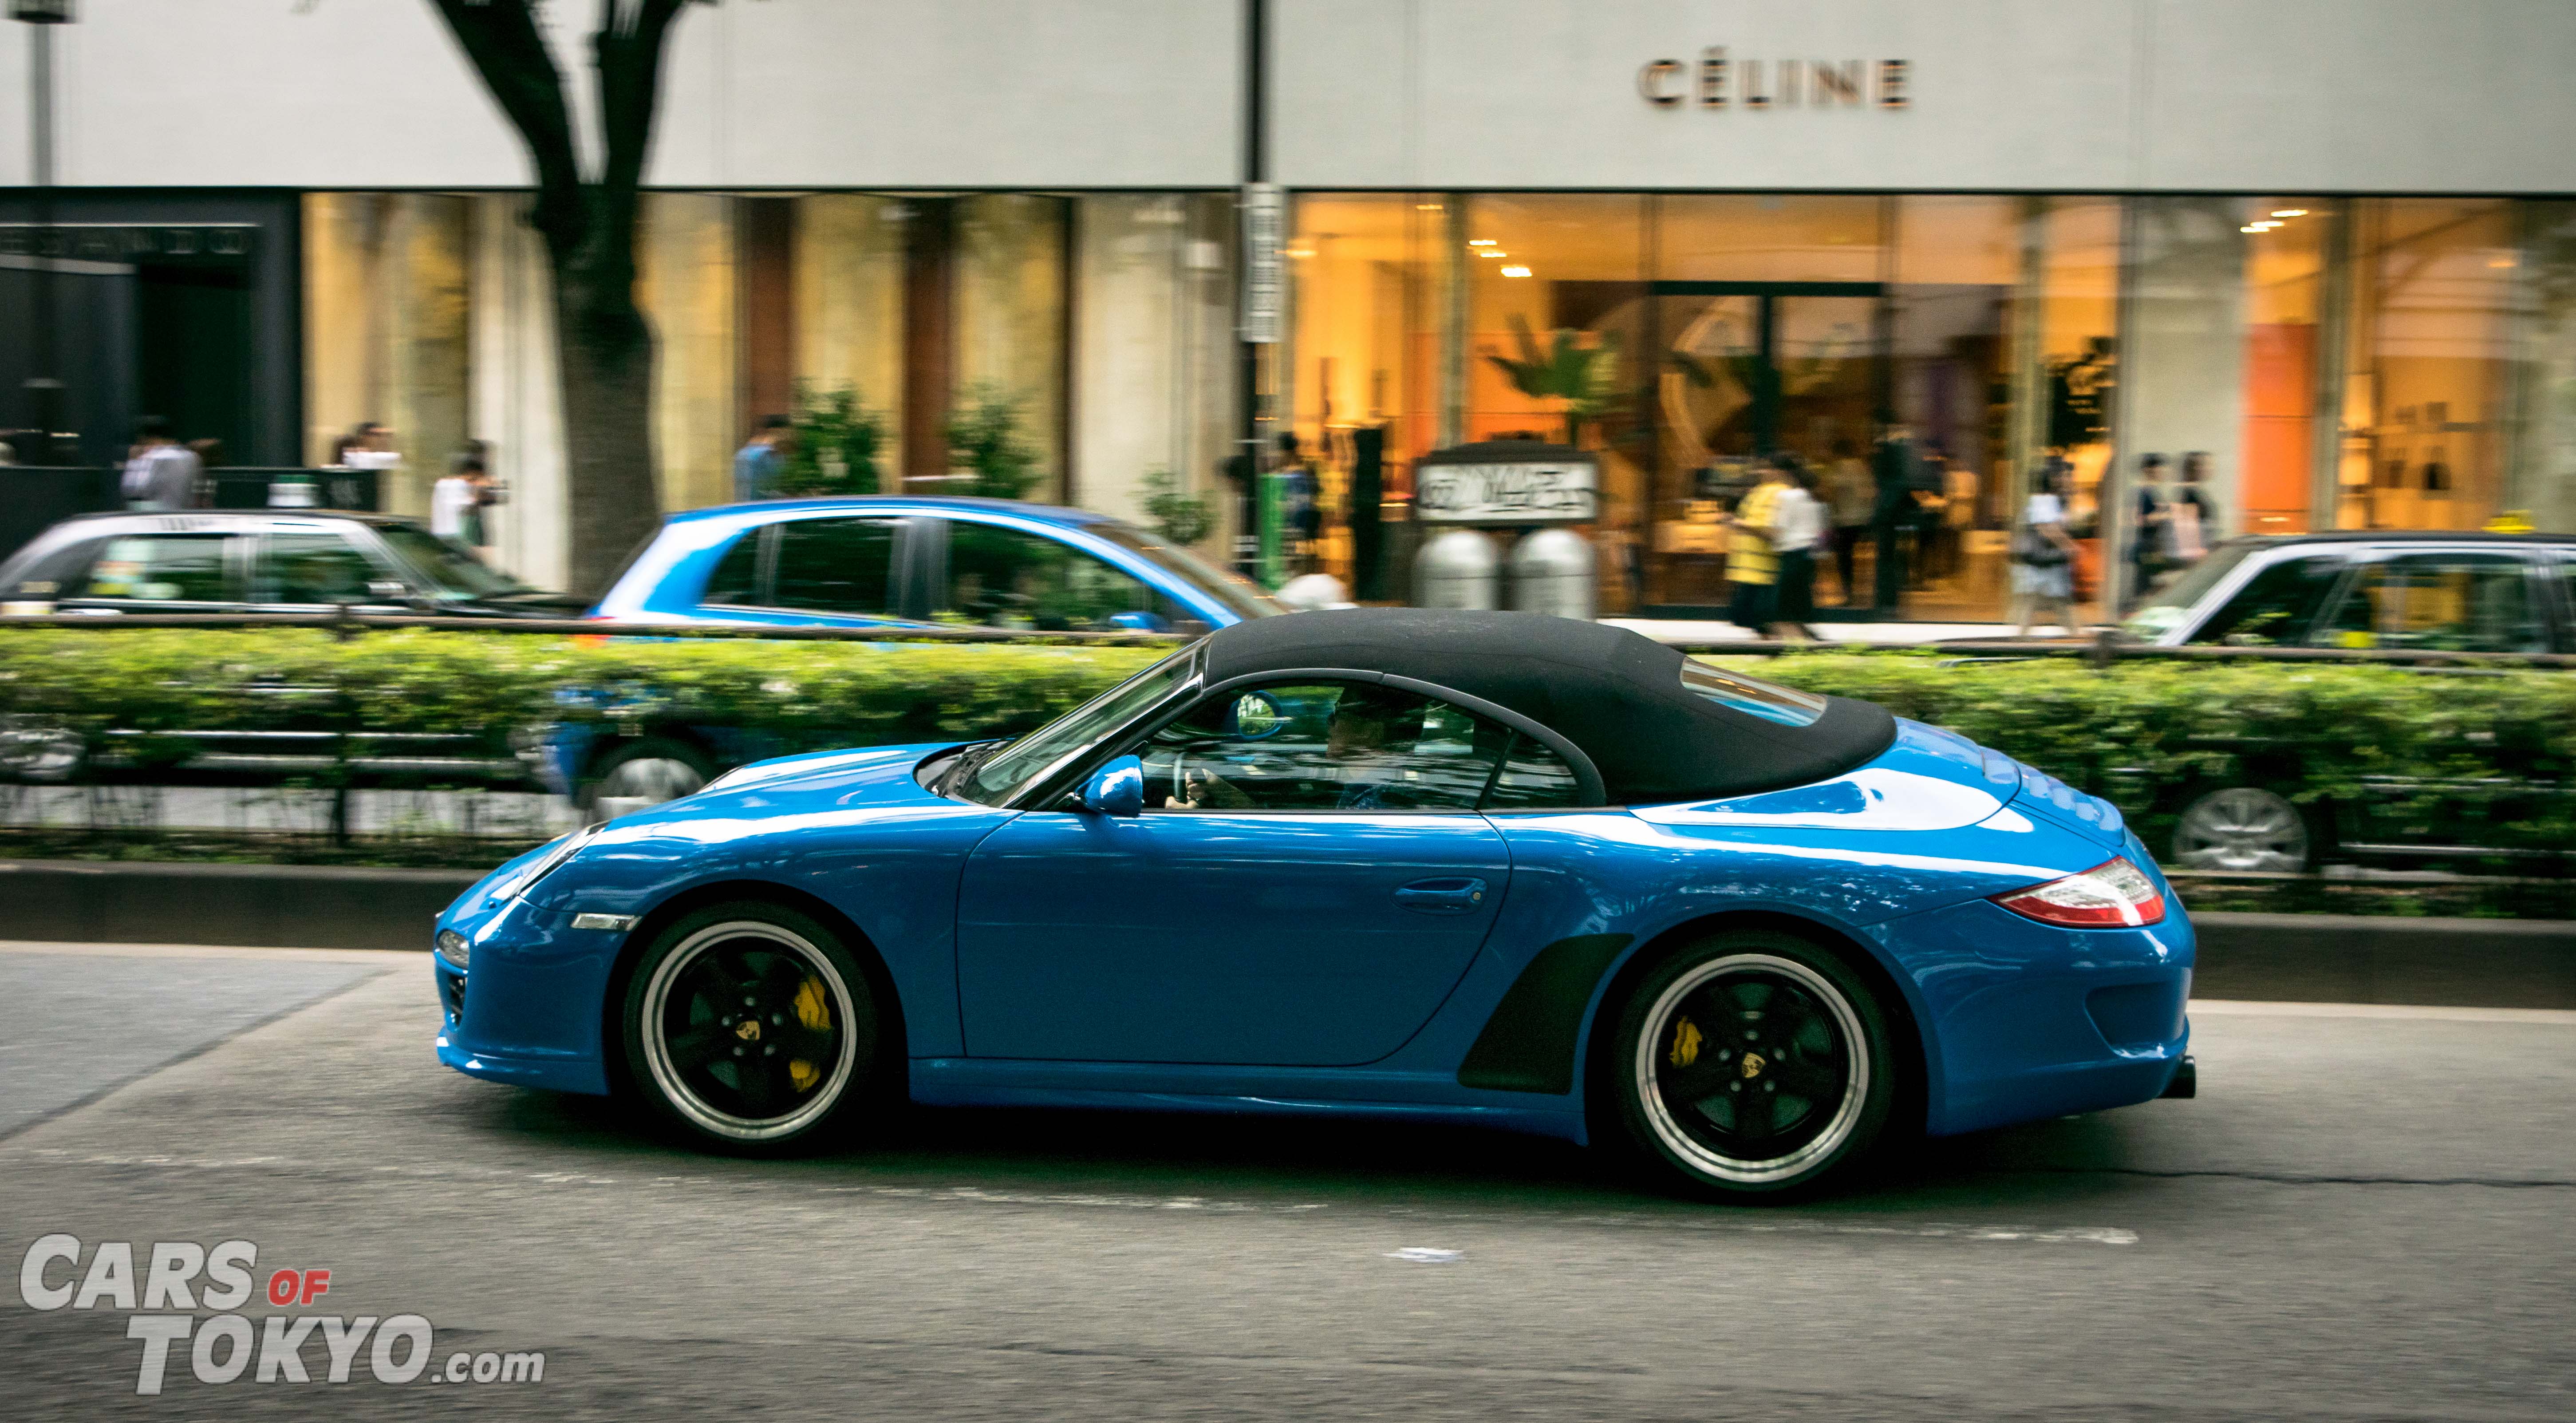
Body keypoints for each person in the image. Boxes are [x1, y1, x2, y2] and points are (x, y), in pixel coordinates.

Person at [1174, 687, 1416, 811]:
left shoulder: (1380, 804)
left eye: (1339, 713)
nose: (1328, 721)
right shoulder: (1370, 790)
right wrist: (1227, 795)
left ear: (1370, 731)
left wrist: (1180, 830)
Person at [2012, 461, 2080, 637]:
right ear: (2051, 480)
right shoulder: (2044, 500)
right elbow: (2047, 528)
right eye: (2062, 476)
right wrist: (2070, 547)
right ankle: (2077, 642)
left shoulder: (2051, 501)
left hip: (2045, 563)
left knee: (2044, 605)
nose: (2067, 480)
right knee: (2052, 604)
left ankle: (2022, 642)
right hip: (2044, 563)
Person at [1726, 458, 1790, 639]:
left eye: (1766, 468)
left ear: (1778, 471)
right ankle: (1768, 648)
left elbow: (1769, 530)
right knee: (1753, 619)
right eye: (1760, 468)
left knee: (1763, 619)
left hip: (1764, 570)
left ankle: (1772, 650)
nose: (1760, 472)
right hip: (1751, 570)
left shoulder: (1779, 493)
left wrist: (1740, 524)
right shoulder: (1759, 492)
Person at [1769, 456, 1825, 640]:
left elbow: (1779, 526)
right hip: (1807, 555)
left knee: (1781, 606)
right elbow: (1818, 532)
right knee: (1800, 601)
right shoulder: (1813, 501)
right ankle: (1808, 637)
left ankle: (1776, 648)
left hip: (1791, 554)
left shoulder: (1787, 497)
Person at [1869, 421, 1919, 611]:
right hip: (1893, 514)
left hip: (1888, 514)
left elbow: (1889, 484)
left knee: (1886, 558)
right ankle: (1888, 600)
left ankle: (1886, 600)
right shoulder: (1898, 456)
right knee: (1890, 558)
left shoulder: (1889, 455)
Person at [1823, 436, 1874, 605]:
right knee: (1856, 557)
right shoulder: (1862, 467)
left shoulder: (1839, 467)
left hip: (1845, 519)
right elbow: (1870, 492)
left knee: (1844, 558)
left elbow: (1831, 492)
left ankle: (1849, 595)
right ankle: (1862, 593)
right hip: (1862, 518)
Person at [120, 416, 203, 511]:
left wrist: (134, 461)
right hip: (185, 514)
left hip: (156, 515)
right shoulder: (192, 457)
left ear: (148, 438)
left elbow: (133, 489)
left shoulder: (153, 457)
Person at [2126, 452, 2169, 612]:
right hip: (2147, 546)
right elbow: (2140, 519)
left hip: (2152, 545)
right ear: (2149, 470)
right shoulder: (2143, 493)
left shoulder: (2152, 492)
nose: (2162, 473)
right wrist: (2164, 515)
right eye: (2160, 469)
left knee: (2147, 586)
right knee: (2146, 588)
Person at [2164, 451, 2218, 575]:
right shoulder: (2189, 494)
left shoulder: (2193, 492)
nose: (2209, 469)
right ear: (2195, 469)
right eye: (2205, 465)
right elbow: (2187, 531)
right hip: (2195, 559)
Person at [734, 415, 790, 503]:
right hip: (763, 508)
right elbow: (769, 489)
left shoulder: (742, 453)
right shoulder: (766, 455)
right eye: (786, 433)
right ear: (776, 431)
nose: (786, 438)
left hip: (747, 508)